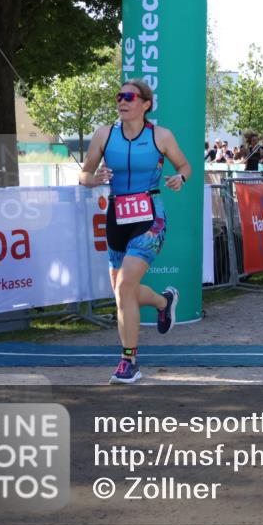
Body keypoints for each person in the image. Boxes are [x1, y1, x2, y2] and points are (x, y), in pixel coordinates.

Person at [78, 78, 189, 384]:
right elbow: (84, 174)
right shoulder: (104, 134)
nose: (122, 102)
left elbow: (185, 166)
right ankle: (163, 302)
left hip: (150, 217)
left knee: (125, 284)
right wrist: (93, 177)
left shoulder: (161, 135)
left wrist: (180, 178)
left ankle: (129, 362)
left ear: (145, 104)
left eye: (129, 97)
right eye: (119, 96)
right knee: (121, 291)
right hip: (116, 216)